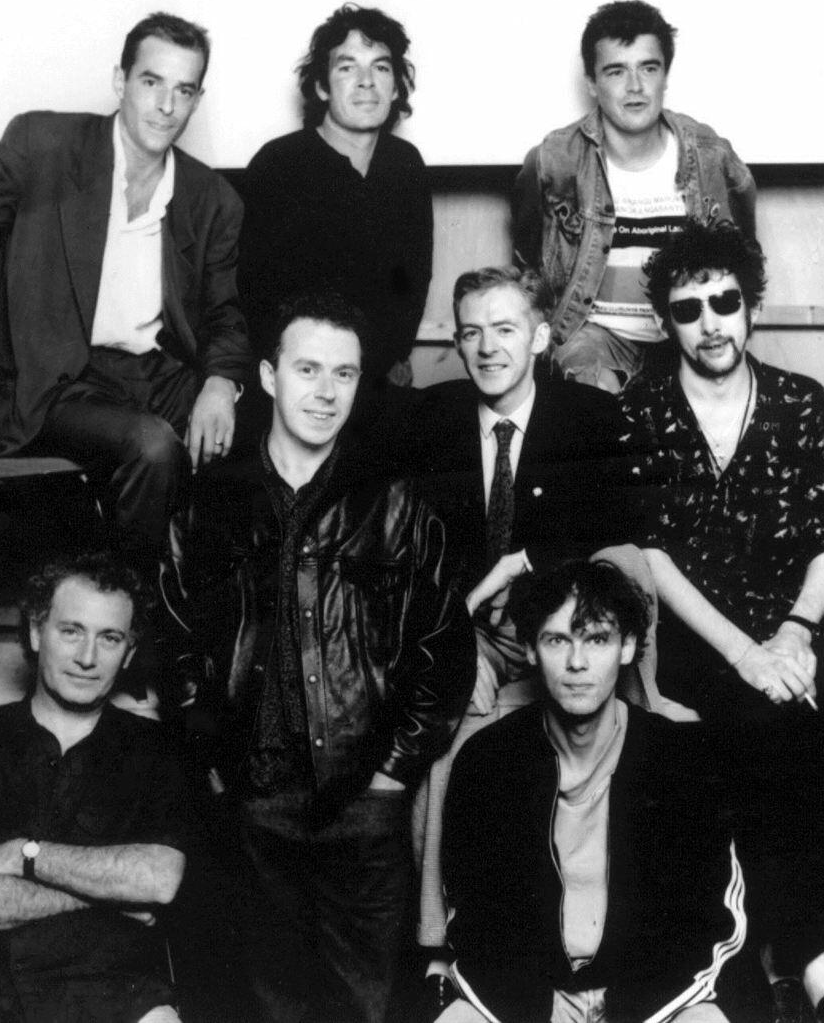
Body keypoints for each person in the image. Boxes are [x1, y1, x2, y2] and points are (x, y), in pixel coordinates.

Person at [0, 13, 251, 573]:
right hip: (52, 381)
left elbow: (224, 314)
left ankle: (208, 618)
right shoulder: (44, 146)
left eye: (184, 90)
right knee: (153, 447)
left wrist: (221, 383)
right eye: (151, 82)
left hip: (154, 376)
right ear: (120, 81)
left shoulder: (211, 198)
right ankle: (127, 612)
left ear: (197, 100)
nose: (166, 105)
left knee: (261, 435)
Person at [174, 290, 474, 1023]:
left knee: (364, 1008)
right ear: (269, 376)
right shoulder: (214, 503)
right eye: (308, 370)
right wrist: (215, 764)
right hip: (253, 803)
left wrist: (390, 774)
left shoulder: (395, 503)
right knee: (264, 1008)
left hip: (363, 804)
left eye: (344, 374)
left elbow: (443, 648)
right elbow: (174, 637)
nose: (326, 392)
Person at [620, 219, 824, 1023]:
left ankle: (802, 945)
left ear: (752, 307)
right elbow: (649, 552)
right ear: (666, 321)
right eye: (688, 309)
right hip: (698, 637)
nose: (710, 323)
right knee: (757, 731)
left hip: (797, 626)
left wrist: (795, 633)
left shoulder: (800, 402)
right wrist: (745, 654)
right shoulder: (641, 410)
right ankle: (804, 961)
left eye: (725, 302)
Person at [401, 265, 661, 1017]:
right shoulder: (431, 420)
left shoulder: (588, 417)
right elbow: (405, 553)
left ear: (541, 336)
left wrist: (524, 562)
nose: (488, 348)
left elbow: (625, 535)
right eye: (471, 332)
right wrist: (458, 631)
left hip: (559, 623)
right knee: (450, 721)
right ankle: (440, 948)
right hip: (470, 631)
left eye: (505, 329)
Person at [438, 559, 746, 1023]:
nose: (577, 662)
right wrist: (538, 1008)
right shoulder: (490, 760)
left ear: (627, 647)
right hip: (529, 998)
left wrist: (627, 1008)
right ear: (530, 649)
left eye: (597, 639)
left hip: (647, 1001)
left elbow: (713, 919)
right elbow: (473, 920)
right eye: (557, 640)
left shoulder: (680, 758)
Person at [0, 552, 187, 1022]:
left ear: (129, 652)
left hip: (115, 999)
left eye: (109, 638)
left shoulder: (158, 752)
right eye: (71, 631)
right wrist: (107, 892)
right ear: (37, 633)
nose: (87, 658)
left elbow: (157, 881)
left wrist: (26, 857)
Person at [513, 0, 756, 393]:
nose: (635, 86)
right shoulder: (555, 161)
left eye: (649, 68)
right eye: (616, 71)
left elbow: (742, 253)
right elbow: (528, 263)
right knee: (592, 397)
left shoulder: (710, 156)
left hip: (685, 330)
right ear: (592, 83)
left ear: (665, 76)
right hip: (593, 334)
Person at [238, 3, 432, 385]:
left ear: (395, 87)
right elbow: (256, 297)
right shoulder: (278, 165)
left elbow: (413, 282)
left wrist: (395, 357)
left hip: (379, 377)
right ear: (321, 86)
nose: (366, 81)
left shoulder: (405, 164)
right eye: (347, 67)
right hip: (300, 377)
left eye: (381, 67)